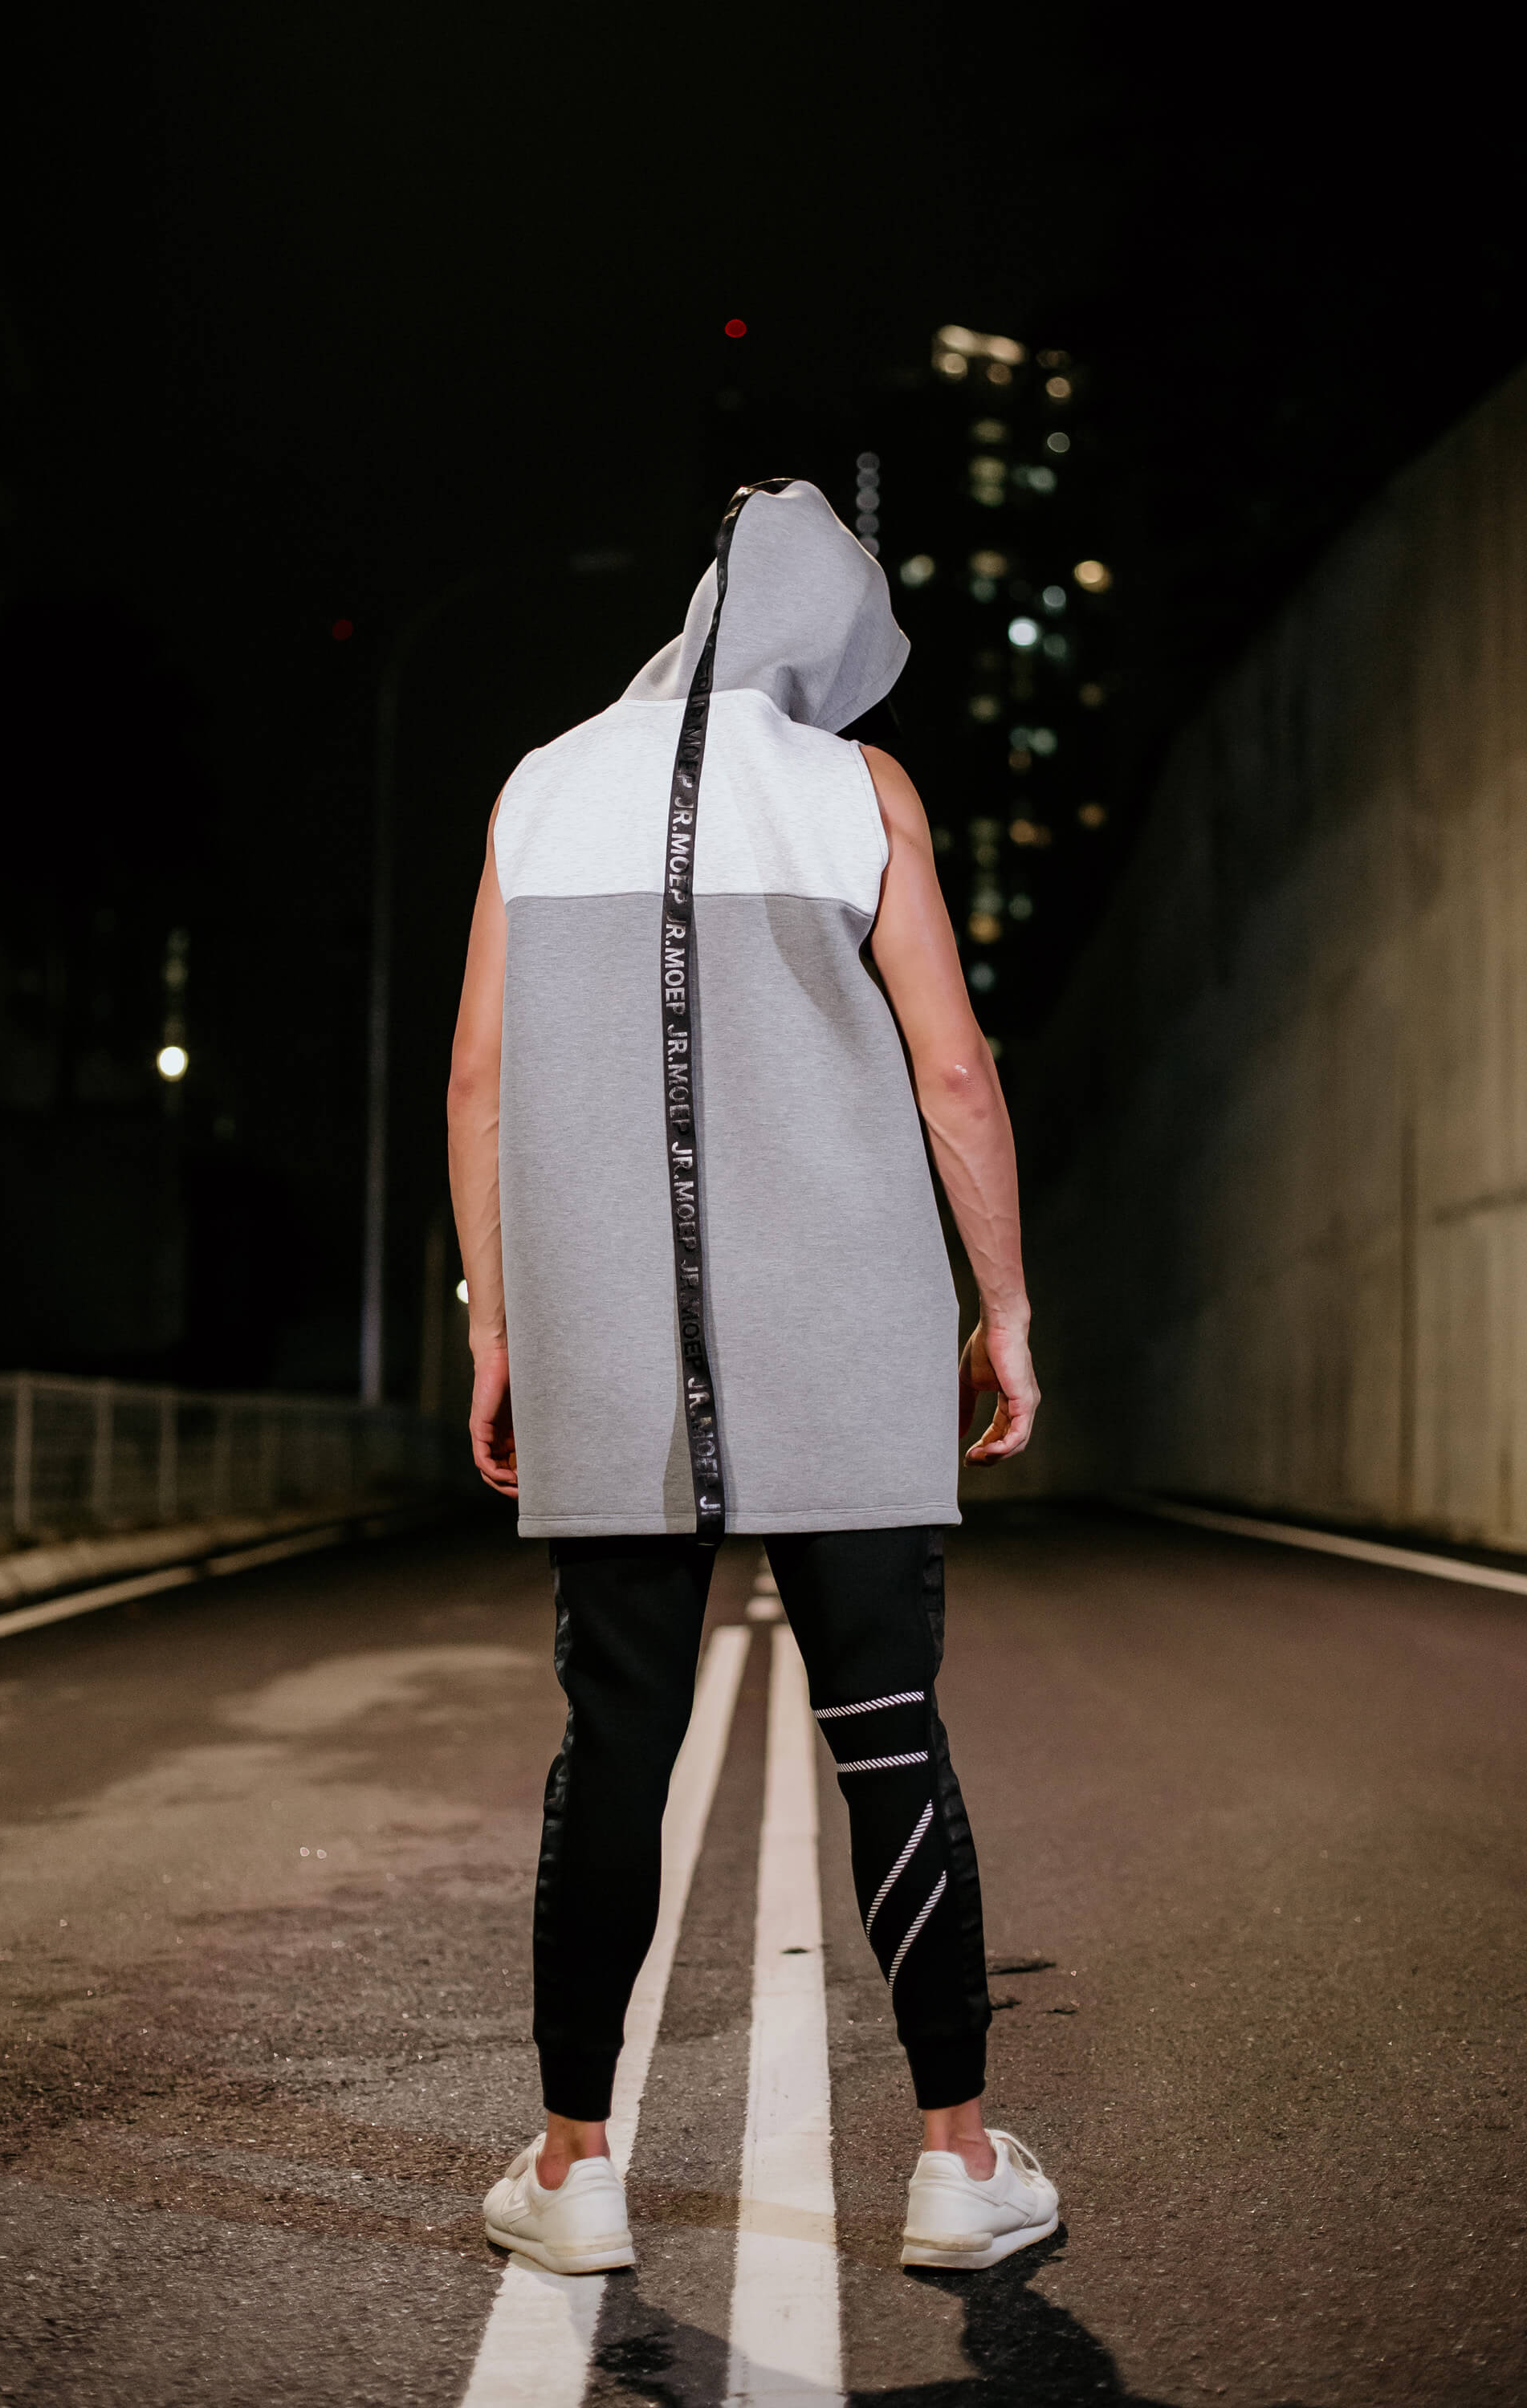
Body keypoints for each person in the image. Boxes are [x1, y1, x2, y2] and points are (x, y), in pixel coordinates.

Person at [447, 478, 1057, 2276]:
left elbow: (478, 1080)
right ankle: (955, 2165)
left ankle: (575, 2172)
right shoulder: (860, 789)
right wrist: (1003, 1309)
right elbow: (954, 1074)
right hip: (849, 1341)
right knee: (887, 1737)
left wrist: (497, 1326)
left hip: (611, 1346)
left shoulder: (541, 785)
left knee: (616, 1749)